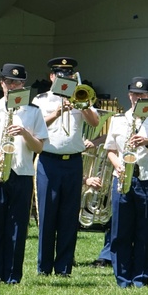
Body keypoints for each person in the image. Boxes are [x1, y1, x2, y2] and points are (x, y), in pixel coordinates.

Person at [0, 63, 47, 284]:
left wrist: (24, 132)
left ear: (24, 85)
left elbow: (39, 148)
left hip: (21, 173)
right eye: (9, 82)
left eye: (18, 82)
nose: (13, 86)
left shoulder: (33, 112)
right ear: (1, 83)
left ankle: (13, 276)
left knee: (17, 228)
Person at [32, 57, 99, 276]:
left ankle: (64, 267)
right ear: (52, 77)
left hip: (73, 162)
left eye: (69, 75)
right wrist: (59, 111)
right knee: (47, 214)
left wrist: (83, 104)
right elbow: (36, 127)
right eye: (60, 75)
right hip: (48, 161)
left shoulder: (80, 96)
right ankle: (44, 267)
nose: (65, 78)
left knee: (69, 216)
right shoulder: (42, 99)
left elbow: (95, 123)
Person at [105, 77, 148, 288]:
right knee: (120, 230)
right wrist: (118, 166)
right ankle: (122, 278)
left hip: (147, 179)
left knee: (144, 230)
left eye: (141, 95)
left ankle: (140, 277)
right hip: (123, 177)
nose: (136, 98)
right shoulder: (118, 120)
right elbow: (111, 150)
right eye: (133, 94)